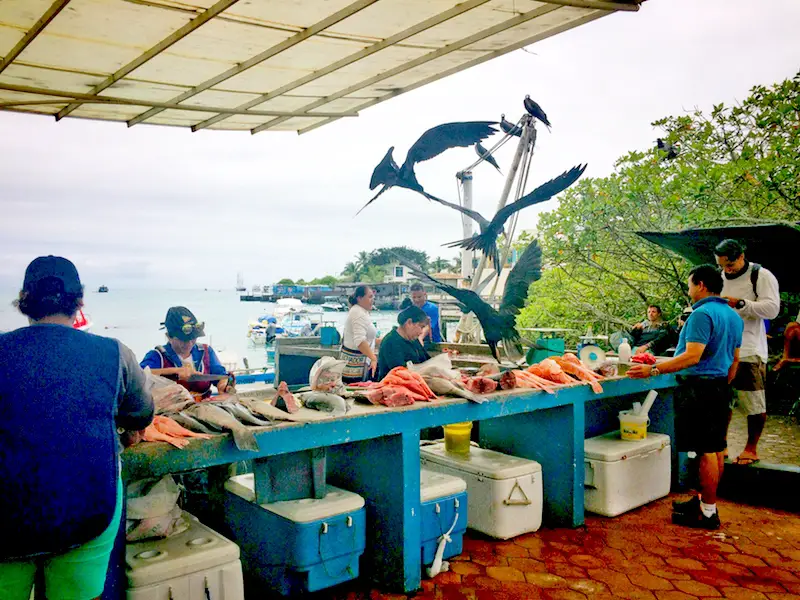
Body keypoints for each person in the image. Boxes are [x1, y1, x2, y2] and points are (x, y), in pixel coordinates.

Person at [0, 256, 153, 600]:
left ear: (24, 300)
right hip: (85, 512)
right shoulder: (115, 353)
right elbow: (141, 414)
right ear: (79, 301)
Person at [628, 264, 743, 530]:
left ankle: (708, 512)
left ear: (701, 285)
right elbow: (735, 360)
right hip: (719, 386)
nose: (690, 289)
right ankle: (704, 502)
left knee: (705, 451)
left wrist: (653, 368)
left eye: (691, 284)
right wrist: (721, 385)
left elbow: (692, 355)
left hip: (700, 387)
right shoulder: (732, 315)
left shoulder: (701, 314)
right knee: (716, 448)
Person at [714, 239, 780, 466]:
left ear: (742, 256)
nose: (727, 269)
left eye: (730, 264)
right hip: (722, 348)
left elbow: (772, 309)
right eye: (722, 265)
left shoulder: (761, 276)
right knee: (723, 401)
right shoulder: (719, 276)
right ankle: (720, 444)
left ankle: (751, 448)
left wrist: (742, 304)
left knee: (753, 401)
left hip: (749, 348)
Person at [140, 306, 231, 398]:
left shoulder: (206, 352)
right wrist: (175, 371)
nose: (189, 343)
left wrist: (223, 384)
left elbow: (221, 375)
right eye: (183, 340)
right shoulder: (157, 356)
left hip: (204, 406)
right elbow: (138, 376)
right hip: (170, 409)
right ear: (169, 336)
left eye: (193, 338)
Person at [376, 306, 432, 380]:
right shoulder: (391, 342)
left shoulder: (414, 339)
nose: (421, 332)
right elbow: (400, 371)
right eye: (421, 327)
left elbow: (427, 361)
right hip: (394, 385)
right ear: (409, 323)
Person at [340, 285, 378, 382]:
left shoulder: (362, 312)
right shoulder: (357, 313)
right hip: (354, 368)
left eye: (373, 297)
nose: (373, 299)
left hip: (361, 364)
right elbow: (360, 341)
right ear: (359, 298)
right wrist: (373, 359)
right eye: (370, 297)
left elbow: (368, 338)